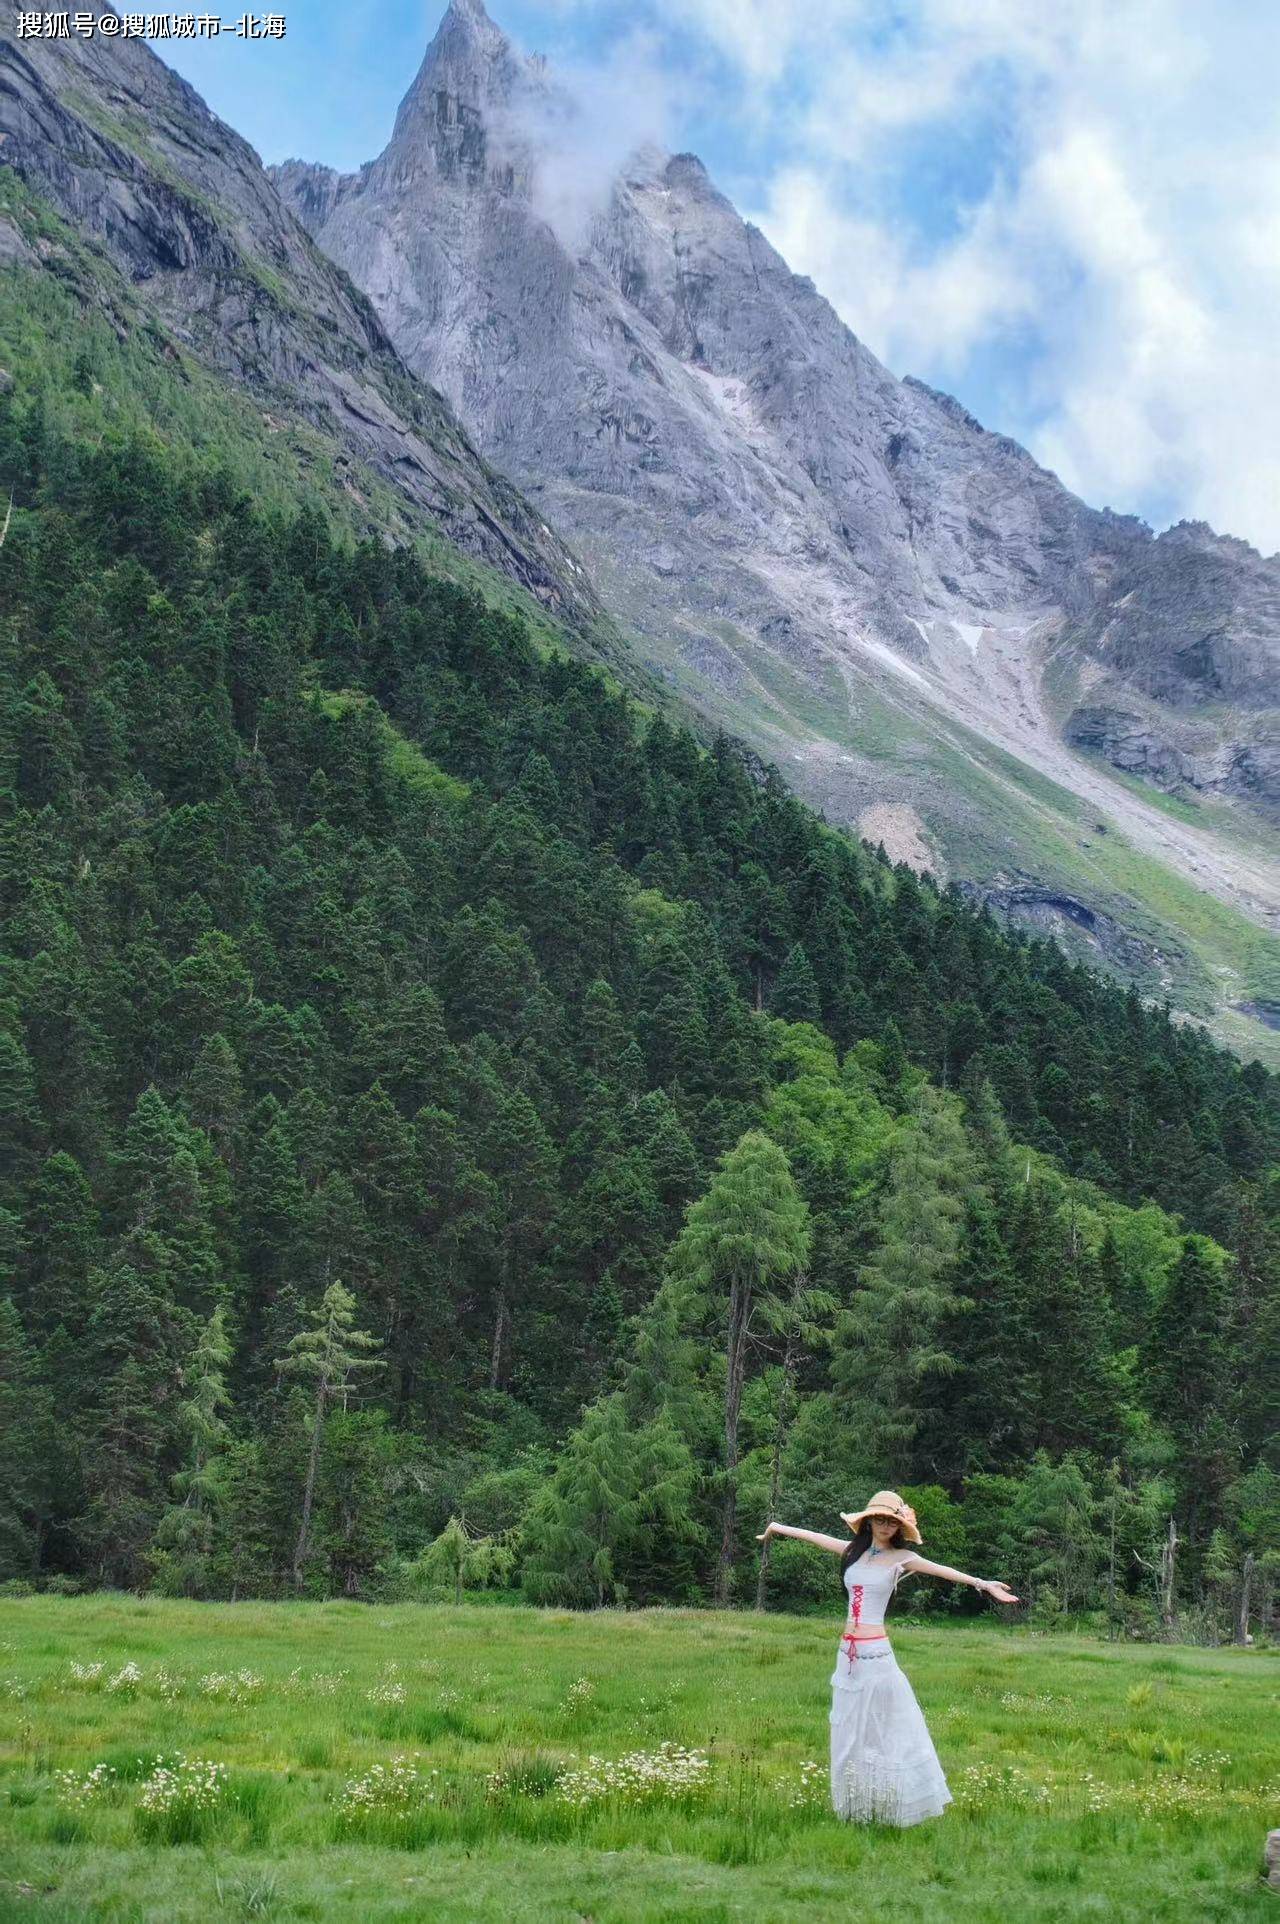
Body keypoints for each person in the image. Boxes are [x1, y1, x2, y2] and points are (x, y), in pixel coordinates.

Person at [757, 1489, 1019, 1826]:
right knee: (849, 1731)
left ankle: (890, 1804)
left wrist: (983, 1583)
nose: (884, 1526)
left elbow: (942, 1570)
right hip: (847, 1657)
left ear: (899, 1527)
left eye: (891, 1522)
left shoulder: (901, 1560)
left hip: (877, 1655)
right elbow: (817, 1538)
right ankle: (854, 1808)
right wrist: (777, 1527)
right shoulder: (852, 1552)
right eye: (879, 1519)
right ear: (868, 1522)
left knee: (884, 1728)